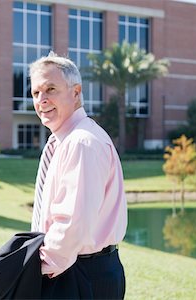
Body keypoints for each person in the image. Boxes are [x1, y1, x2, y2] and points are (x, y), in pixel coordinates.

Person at [29, 52, 127, 299]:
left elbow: (72, 225)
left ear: (76, 92)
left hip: (79, 273)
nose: (41, 99)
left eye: (50, 89)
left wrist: (36, 269)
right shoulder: (64, 141)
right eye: (35, 93)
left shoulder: (81, 143)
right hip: (73, 269)